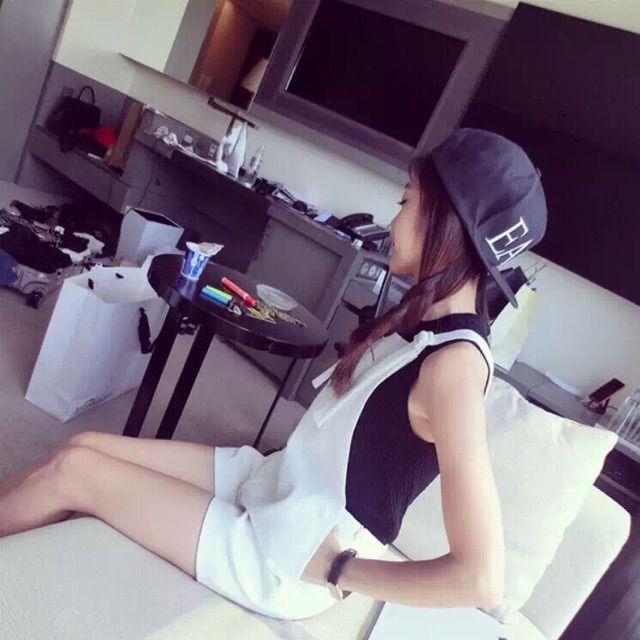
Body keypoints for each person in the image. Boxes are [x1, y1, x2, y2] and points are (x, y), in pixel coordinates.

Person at [0, 128, 547, 621]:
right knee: (84, 446)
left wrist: (340, 570)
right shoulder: (427, 325)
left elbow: (480, 577)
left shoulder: (456, 364)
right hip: (277, 484)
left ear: (444, 222)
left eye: (406, 202)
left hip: (283, 555)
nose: (393, 221)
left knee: (74, 471)